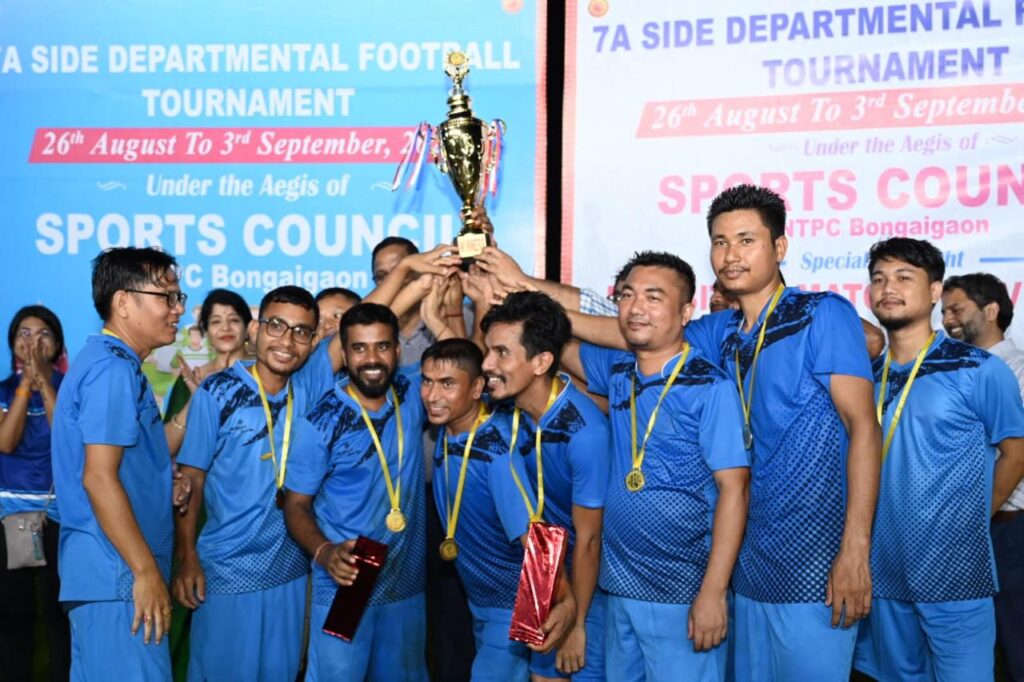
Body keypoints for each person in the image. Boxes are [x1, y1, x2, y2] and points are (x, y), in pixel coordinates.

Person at [681, 185, 881, 681]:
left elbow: (864, 429)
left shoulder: (822, 313)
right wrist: (525, 288)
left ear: (780, 248)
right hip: (750, 568)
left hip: (819, 565)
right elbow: (635, 329)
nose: (731, 254)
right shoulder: (719, 332)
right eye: (720, 241)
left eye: (746, 239)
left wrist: (855, 549)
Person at [561, 251, 750, 680]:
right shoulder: (618, 370)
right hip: (619, 592)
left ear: (686, 312)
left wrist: (713, 593)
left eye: (653, 297)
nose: (636, 308)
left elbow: (735, 491)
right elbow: (549, 344)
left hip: (683, 596)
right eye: (627, 295)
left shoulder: (711, 386)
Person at [852, 241, 1024, 680]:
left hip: (955, 570)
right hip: (882, 571)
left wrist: (970, 521)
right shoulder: (862, 378)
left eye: (904, 277)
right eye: (879, 279)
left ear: (934, 291)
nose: (888, 288)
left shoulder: (978, 368)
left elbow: (1016, 452)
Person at [173, 286, 333, 682]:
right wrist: (187, 555)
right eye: (276, 326)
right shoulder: (218, 391)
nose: (286, 340)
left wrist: (410, 273)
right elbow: (192, 476)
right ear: (256, 329)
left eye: (300, 332)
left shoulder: (310, 390)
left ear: (312, 342)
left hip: (289, 570)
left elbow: (371, 323)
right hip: (226, 568)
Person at [51, 247, 186, 680]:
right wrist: (144, 570)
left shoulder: (114, 365)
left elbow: (133, 462)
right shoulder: (111, 371)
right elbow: (98, 478)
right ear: (123, 302)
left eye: (179, 296)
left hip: (112, 578)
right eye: (166, 296)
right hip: (120, 578)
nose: (178, 308)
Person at [283, 303, 430, 680]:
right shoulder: (322, 420)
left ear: (398, 349)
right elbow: (295, 504)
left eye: (382, 346)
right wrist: (325, 551)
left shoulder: (413, 394)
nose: (372, 359)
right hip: (348, 585)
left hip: (406, 585)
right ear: (344, 354)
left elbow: (465, 369)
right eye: (360, 348)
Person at [420, 338, 577, 682]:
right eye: (427, 381)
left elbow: (537, 539)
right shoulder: (449, 432)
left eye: (447, 384)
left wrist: (565, 604)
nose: (432, 395)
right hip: (482, 602)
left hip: (514, 608)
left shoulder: (496, 451)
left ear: (477, 387)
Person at [479, 292, 610, 681]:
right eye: (488, 350)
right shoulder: (508, 413)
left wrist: (578, 622)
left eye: (502, 353)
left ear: (541, 362)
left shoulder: (584, 432)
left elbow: (589, 540)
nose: (487, 364)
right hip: (541, 572)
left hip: (589, 590)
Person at [942, 273, 1024, 680]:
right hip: (968, 529)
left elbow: (1017, 456)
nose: (947, 320)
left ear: (991, 311)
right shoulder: (955, 372)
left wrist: (977, 520)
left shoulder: (1018, 370)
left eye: (956, 309)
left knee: (1014, 643)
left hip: (1008, 528)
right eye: (943, 312)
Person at [0, 305, 70, 681]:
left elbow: (66, 441)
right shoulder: (3, 392)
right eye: (24, 333)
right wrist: (26, 385)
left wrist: (45, 384)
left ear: (57, 346)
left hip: (58, 518)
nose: (32, 341)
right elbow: (6, 442)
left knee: (57, 617)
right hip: (9, 519)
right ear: (12, 343)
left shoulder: (69, 391)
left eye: (43, 334)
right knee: (14, 618)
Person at [163, 288, 252, 457]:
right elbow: (164, 449)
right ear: (205, 330)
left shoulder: (266, 373)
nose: (225, 328)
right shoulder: (191, 378)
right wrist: (197, 399)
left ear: (248, 327)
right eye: (216, 322)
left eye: (234, 320)